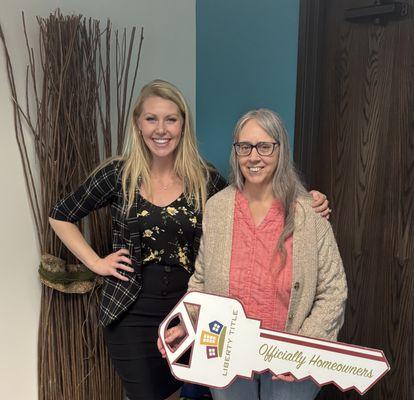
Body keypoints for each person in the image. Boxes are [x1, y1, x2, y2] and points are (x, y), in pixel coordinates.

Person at [49, 80, 331, 400]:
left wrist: (306, 201)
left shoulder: (204, 177)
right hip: (131, 313)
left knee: (189, 393)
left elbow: (252, 199)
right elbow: (61, 214)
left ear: (183, 124)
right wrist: (96, 263)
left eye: (171, 119)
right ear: (138, 124)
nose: (161, 129)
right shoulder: (118, 174)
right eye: (151, 119)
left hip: (191, 311)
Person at [159, 108, 347, 400]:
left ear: (281, 150)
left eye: (265, 146)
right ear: (236, 152)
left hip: (289, 362)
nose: (253, 156)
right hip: (227, 353)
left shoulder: (308, 214)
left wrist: (302, 349)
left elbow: (333, 290)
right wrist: (187, 323)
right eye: (244, 147)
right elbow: (201, 281)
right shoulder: (218, 208)